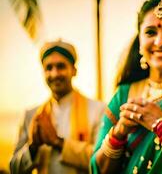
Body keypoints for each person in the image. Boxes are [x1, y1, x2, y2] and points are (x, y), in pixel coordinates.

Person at [91, 0, 162, 174]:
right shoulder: (124, 94)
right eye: (150, 32)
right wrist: (119, 133)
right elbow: (97, 169)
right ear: (140, 40)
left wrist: (161, 126)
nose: (159, 42)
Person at [10, 39, 106, 174]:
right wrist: (32, 147)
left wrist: (58, 142)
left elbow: (103, 161)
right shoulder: (32, 115)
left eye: (61, 66)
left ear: (74, 70)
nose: (54, 74)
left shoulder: (97, 110)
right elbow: (14, 168)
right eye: (48, 68)